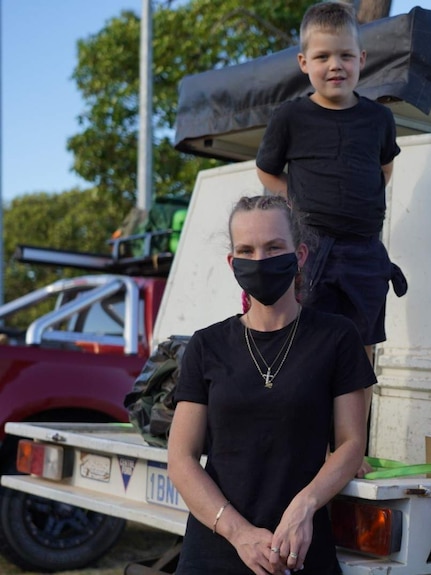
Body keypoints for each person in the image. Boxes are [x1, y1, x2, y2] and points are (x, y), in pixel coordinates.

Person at [167, 195, 375, 575]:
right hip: (214, 551)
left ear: (299, 255)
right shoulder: (206, 344)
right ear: (232, 262)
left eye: (273, 247)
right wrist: (240, 533)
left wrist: (305, 506)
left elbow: (351, 443)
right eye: (246, 249)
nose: (260, 260)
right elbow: (181, 459)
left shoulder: (337, 337)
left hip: (298, 550)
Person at [255, 1, 404, 364]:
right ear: (304, 63)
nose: (335, 65)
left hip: (365, 250)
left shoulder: (379, 118)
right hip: (312, 247)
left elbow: (385, 168)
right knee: (305, 341)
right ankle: (306, 420)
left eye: (345, 56)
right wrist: (297, 199)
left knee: (361, 345)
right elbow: (266, 171)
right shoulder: (290, 117)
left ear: (362, 59)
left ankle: (354, 423)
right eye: (322, 57)